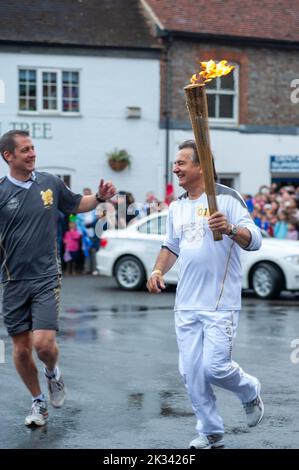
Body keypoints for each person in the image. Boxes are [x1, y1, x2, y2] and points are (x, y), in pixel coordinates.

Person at [147, 140, 263, 449]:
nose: (176, 169)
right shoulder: (177, 206)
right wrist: (158, 270)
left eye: (182, 163)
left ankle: (249, 390)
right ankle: (211, 430)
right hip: (185, 304)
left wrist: (230, 229)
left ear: (201, 167)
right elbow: (171, 246)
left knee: (215, 367)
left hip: (219, 303)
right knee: (191, 372)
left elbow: (255, 241)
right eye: (176, 163)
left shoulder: (226, 199)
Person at [0, 130, 116, 427]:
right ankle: (38, 401)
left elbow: (77, 204)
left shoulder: (50, 183)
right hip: (13, 280)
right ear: (8, 156)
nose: (32, 154)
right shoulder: (1, 193)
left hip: (46, 277)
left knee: (43, 344)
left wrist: (100, 197)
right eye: (25, 150)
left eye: (33, 148)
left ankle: (53, 375)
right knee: (21, 348)